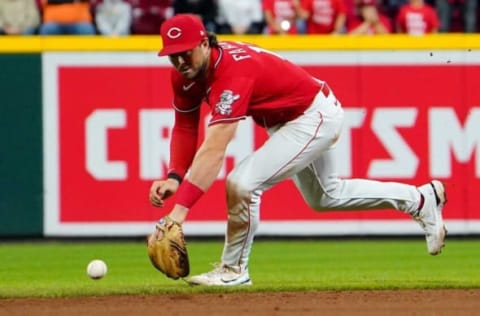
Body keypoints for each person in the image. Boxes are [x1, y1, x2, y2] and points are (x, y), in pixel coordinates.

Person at [148, 13, 447, 286]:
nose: (179, 61)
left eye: (185, 51)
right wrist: (175, 175)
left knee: (242, 183)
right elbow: (186, 127)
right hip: (292, 119)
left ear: (203, 42)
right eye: (172, 55)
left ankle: (233, 270)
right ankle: (421, 199)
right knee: (326, 197)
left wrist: (178, 214)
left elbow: (214, 147)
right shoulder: (185, 74)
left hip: (311, 116)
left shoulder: (233, 73)